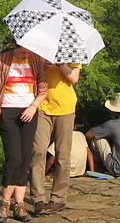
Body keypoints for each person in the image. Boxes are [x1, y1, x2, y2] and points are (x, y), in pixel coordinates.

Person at [0, 43, 48, 223]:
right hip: (8, 111)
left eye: (28, 52)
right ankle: (4, 203)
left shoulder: (35, 61)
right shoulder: (2, 60)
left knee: (25, 157)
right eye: (23, 51)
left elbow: (43, 89)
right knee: (13, 157)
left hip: (29, 112)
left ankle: (20, 204)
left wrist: (34, 106)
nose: (26, 55)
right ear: (16, 47)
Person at [29, 62, 82, 215]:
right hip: (41, 105)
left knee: (62, 154)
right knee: (38, 150)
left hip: (65, 107)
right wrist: (41, 65)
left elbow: (73, 78)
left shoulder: (71, 50)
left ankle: (58, 198)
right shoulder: (39, 50)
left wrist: (61, 64)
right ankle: (38, 198)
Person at [85, 92, 120, 177]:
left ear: (115, 111)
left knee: (98, 139)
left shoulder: (111, 125)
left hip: (118, 169)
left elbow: (89, 135)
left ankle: (99, 166)